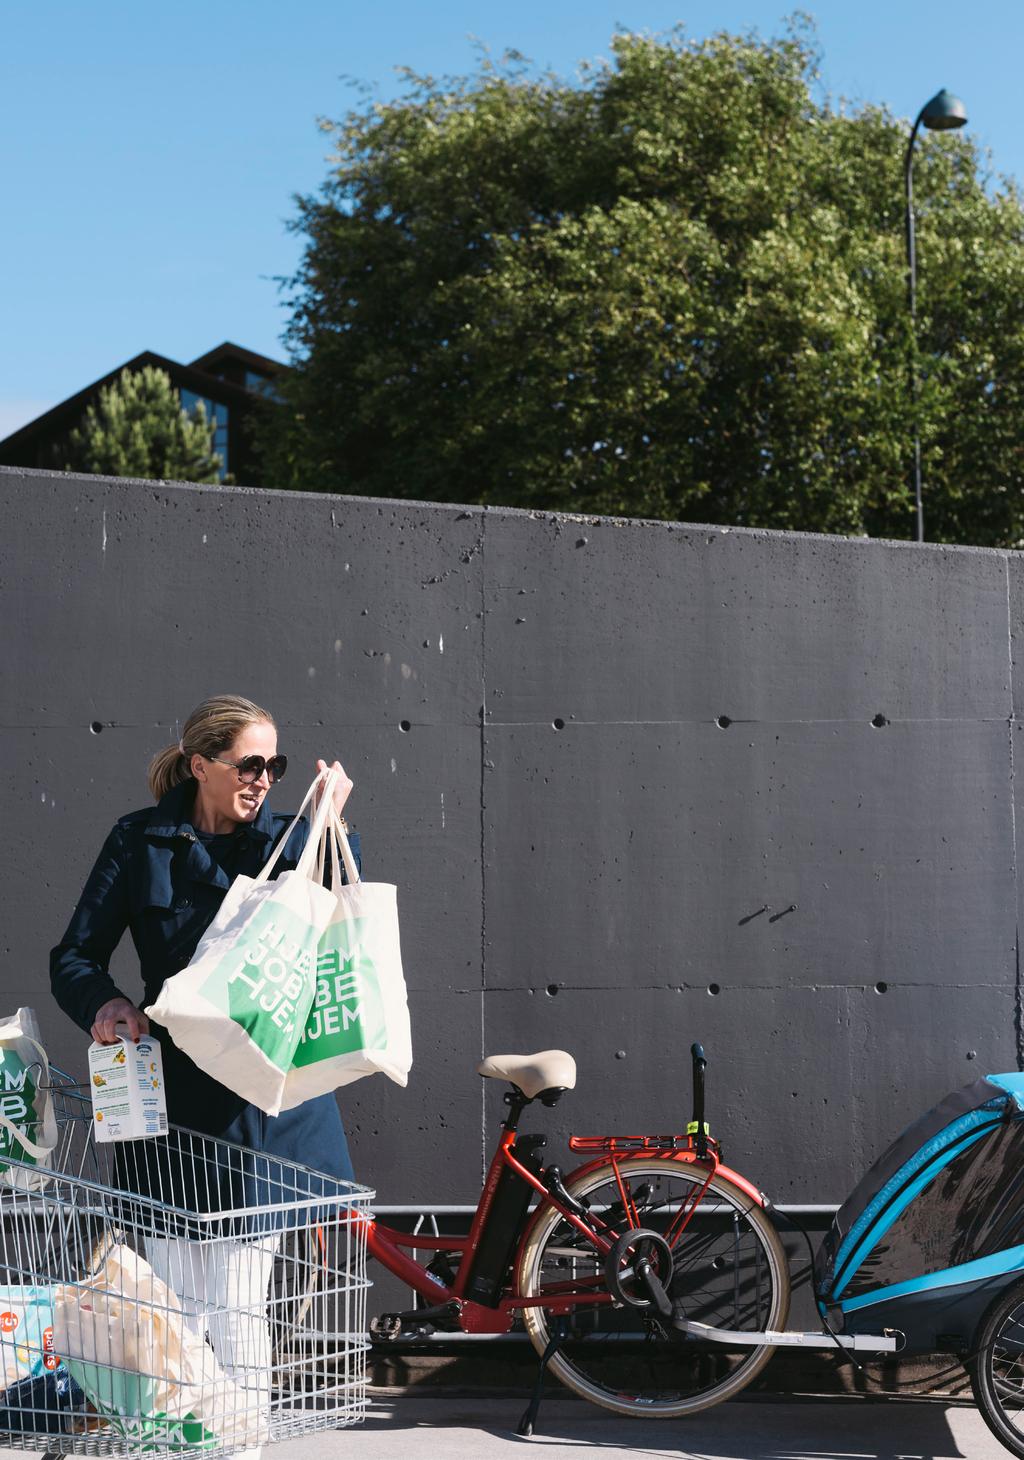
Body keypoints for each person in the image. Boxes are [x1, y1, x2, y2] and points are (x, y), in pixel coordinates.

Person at [50, 694, 359, 1444]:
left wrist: (330, 822)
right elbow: (74, 956)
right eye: (249, 764)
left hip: (261, 1106)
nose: (263, 780)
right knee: (173, 1305)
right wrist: (107, 1004)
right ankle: (183, 1440)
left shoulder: (287, 840)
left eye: (274, 767)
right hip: (171, 1107)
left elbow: (337, 907)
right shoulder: (140, 840)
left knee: (238, 1301)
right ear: (200, 764)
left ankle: (240, 1443)